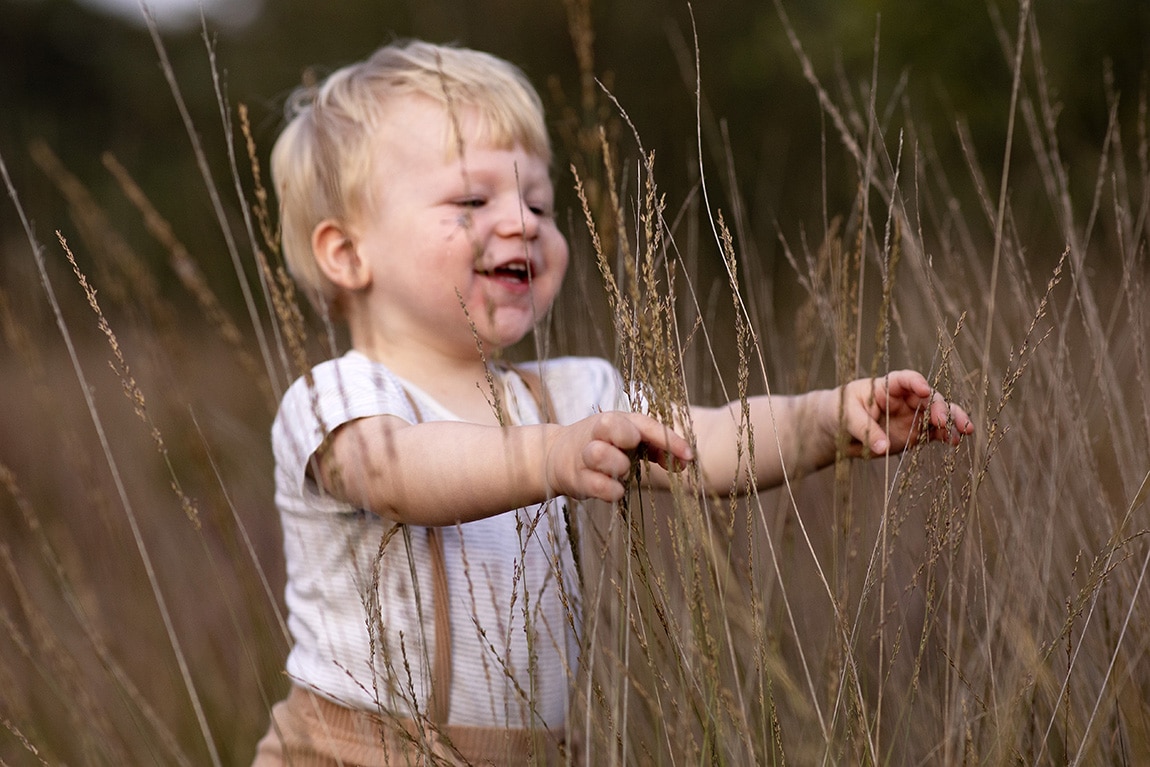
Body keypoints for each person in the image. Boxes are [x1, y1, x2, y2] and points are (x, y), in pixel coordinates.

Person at [252, 39, 973, 766]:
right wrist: (553, 452)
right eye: (473, 200)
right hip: (350, 752)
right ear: (346, 253)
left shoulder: (561, 392)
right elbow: (401, 474)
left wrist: (822, 419)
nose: (523, 221)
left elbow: (712, 443)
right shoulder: (336, 396)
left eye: (537, 201)